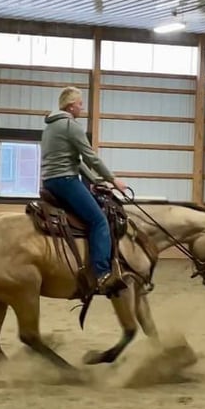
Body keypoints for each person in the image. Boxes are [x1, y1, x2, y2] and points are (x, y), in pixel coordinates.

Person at [41, 86, 128, 295]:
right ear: (71, 106)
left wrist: (97, 180)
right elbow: (91, 157)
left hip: (51, 181)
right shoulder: (71, 126)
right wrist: (113, 179)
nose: (82, 108)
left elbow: (77, 161)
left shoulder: (50, 127)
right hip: (67, 181)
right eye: (80, 104)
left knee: (98, 207)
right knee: (99, 220)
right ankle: (102, 273)